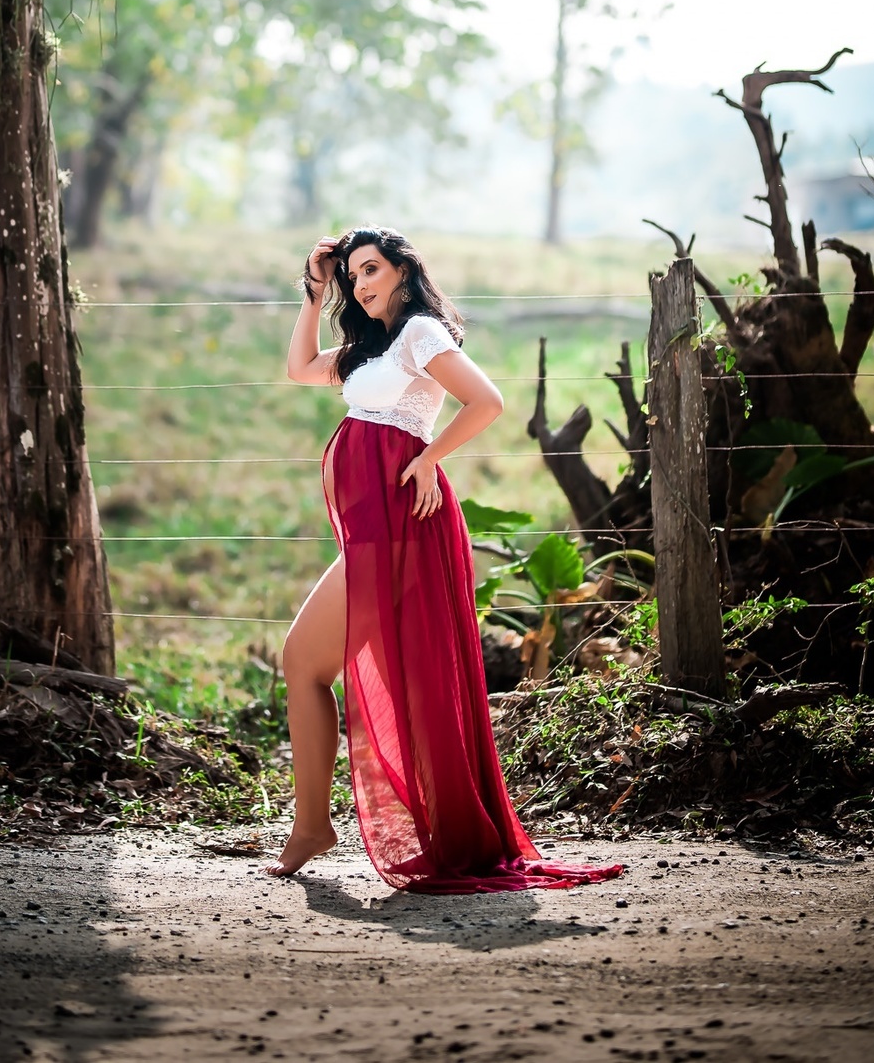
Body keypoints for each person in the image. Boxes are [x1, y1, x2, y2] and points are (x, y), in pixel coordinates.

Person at [266, 226, 623, 894]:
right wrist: (314, 294)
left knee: (306, 660)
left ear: (403, 268)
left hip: (401, 526)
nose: (361, 283)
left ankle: (318, 824)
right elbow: (299, 369)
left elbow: (487, 401)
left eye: (371, 269)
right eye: (352, 275)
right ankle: (313, 822)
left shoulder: (421, 333)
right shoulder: (377, 345)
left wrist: (428, 457)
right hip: (376, 529)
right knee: (314, 665)